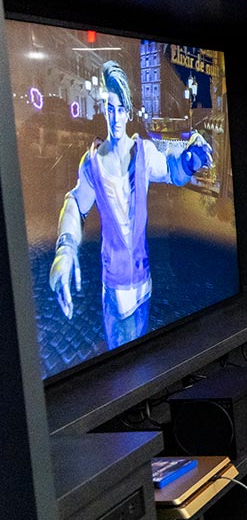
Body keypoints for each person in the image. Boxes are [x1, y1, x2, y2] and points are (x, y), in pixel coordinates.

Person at [48, 60, 213, 349]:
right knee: (123, 356)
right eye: (110, 108)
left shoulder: (143, 153)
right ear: (104, 109)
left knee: (142, 351)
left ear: (128, 112)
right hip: (115, 284)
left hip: (143, 279)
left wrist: (193, 158)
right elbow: (75, 203)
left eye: (120, 109)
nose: (115, 117)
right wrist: (65, 249)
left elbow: (174, 171)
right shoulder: (93, 163)